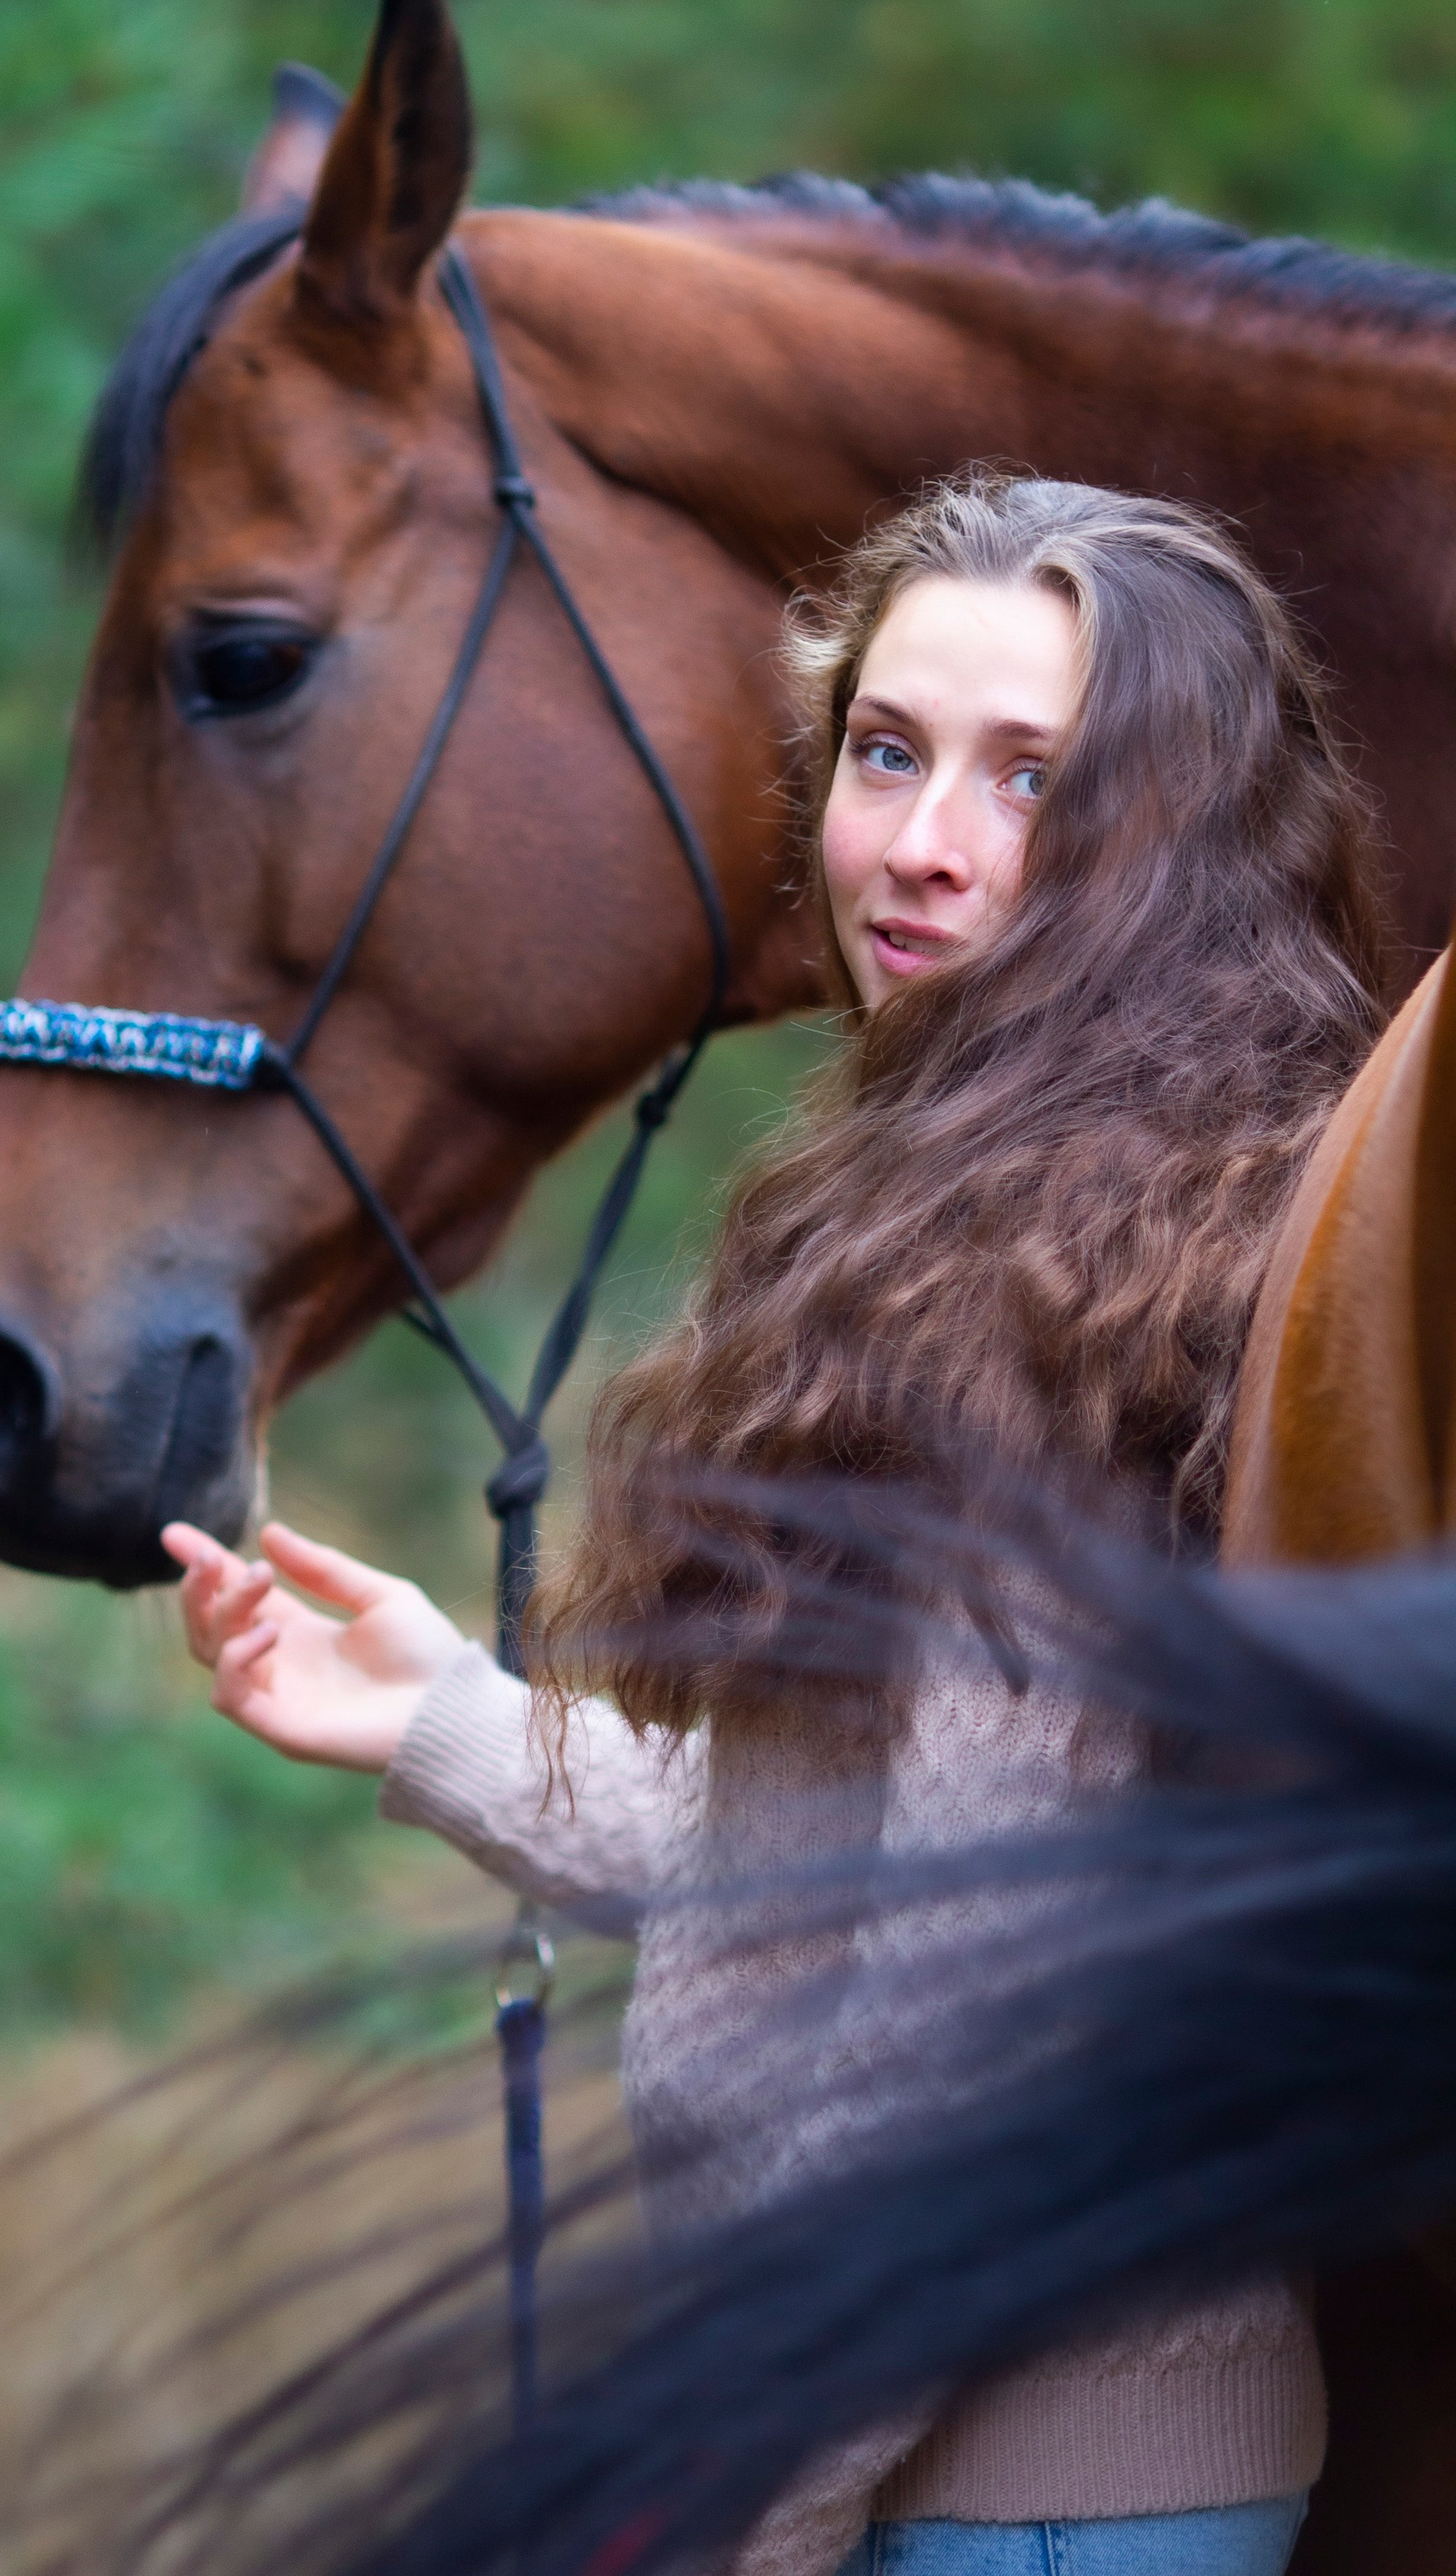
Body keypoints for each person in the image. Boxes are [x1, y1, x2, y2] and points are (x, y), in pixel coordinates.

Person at [164, 474, 1384, 2576]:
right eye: (888, 751)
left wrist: (764, 2497)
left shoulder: (1066, 1290)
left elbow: (971, 2015)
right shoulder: (1003, 1216)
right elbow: (832, 1889)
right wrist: (445, 1720)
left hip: (1016, 2503)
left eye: (1038, 781)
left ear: (1176, 839)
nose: (922, 843)